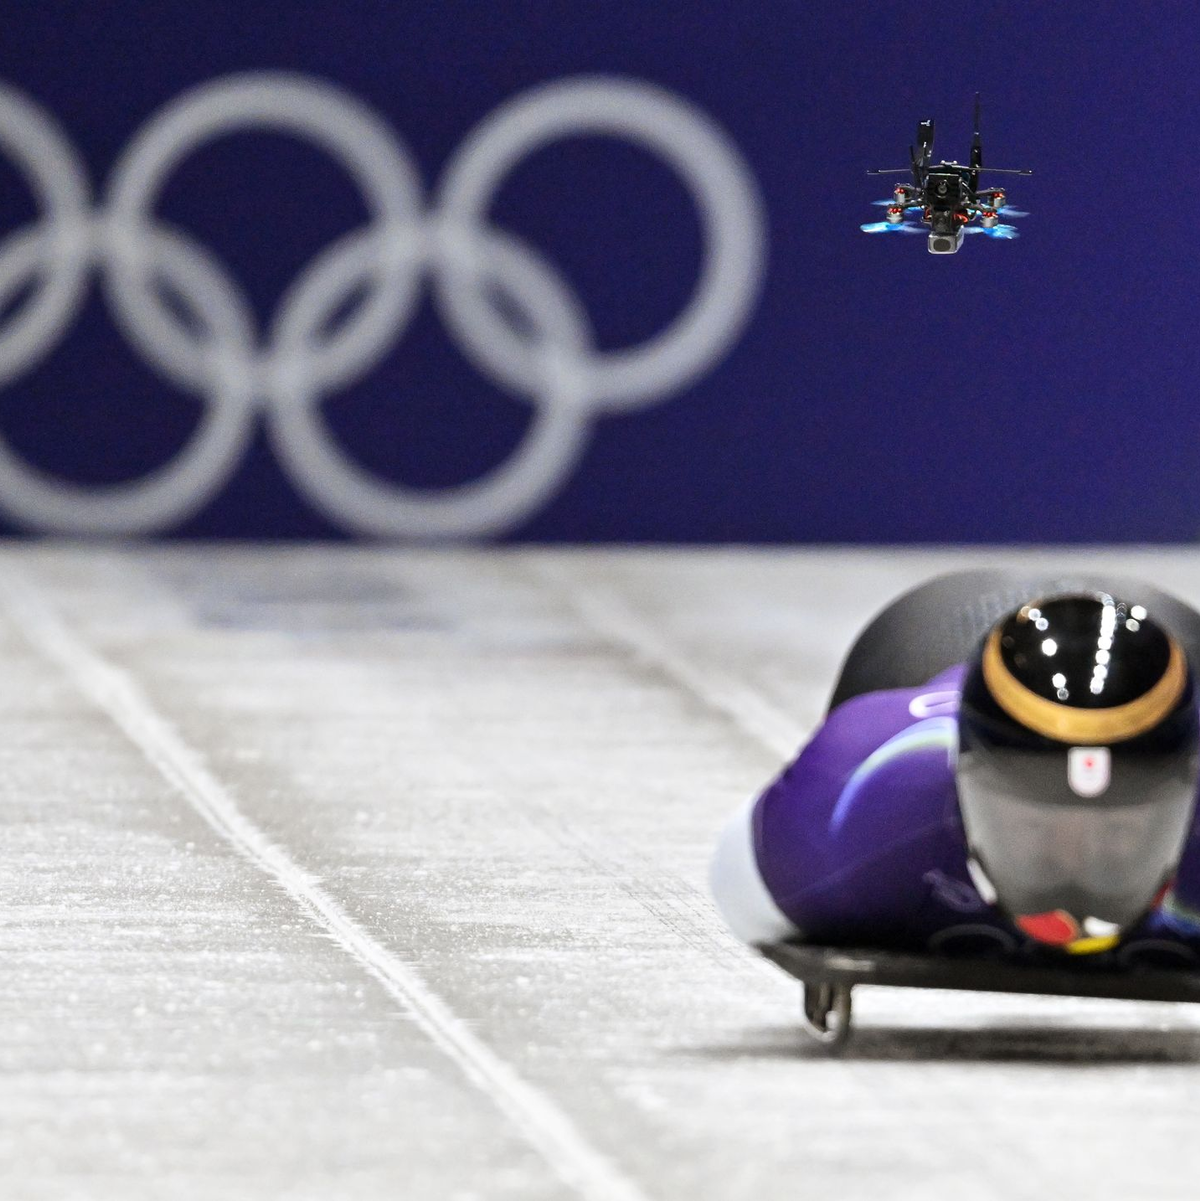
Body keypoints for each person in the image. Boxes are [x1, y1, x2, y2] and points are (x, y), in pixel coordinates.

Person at [710, 570, 1200, 966]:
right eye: (1035, 827)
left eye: (1116, 832)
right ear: (957, 779)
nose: (1075, 874)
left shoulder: (825, 852)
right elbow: (741, 894)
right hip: (935, 633)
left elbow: (745, 902)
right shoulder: (851, 808)